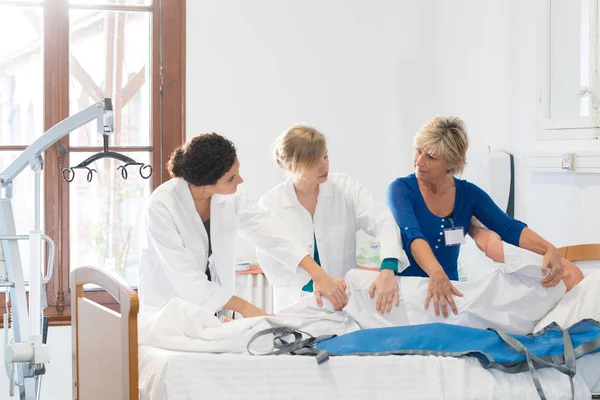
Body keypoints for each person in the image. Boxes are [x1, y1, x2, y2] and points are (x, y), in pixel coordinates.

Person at [137, 133, 347, 319]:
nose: (240, 180)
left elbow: (271, 233)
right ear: (205, 184)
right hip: (169, 313)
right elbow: (187, 279)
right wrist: (246, 308)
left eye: (238, 171)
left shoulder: (229, 196)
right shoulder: (162, 207)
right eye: (231, 178)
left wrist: (319, 275)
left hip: (215, 312)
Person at [383, 116, 565, 318]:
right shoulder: (401, 190)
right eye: (418, 150)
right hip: (408, 295)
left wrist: (548, 248)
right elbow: (412, 235)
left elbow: (508, 227)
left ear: (451, 162)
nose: (419, 161)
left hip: (449, 293)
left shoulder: (468, 195)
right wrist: (435, 272)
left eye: (431, 157)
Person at [256, 124, 409, 313]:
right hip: (296, 305)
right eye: (314, 161)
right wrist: (317, 284)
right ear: (291, 165)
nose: (324, 165)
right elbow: (272, 262)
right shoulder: (271, 205)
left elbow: (382, 220)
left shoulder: (346, 188)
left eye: (326, 156)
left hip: (344, 304)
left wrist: (388, 266)